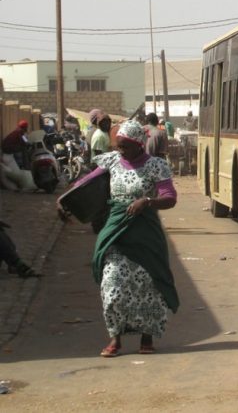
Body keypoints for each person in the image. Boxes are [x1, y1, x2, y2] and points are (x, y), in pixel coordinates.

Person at [61, 120, 179, 357]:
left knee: (149, 284)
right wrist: (65, 199)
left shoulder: (156, 165)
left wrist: (147, 201)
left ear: (138, 145)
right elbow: (86, 182)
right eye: (118, 145)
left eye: (125, 146)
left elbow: (170, 197)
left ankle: (147, 338)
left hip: (145, 233)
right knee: (112, 285)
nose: (120, 150)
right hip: (116, 228)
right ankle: (115, 338)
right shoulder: (113, 161)